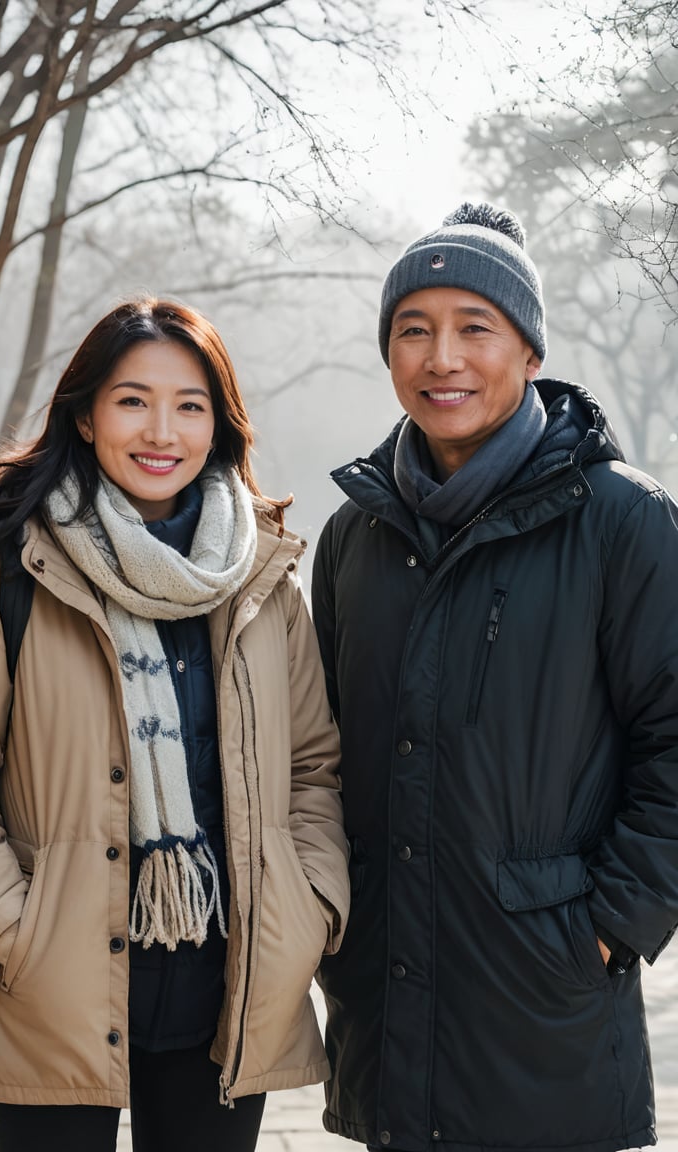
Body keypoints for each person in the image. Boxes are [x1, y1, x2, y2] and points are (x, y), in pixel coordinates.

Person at [0, 298, 349, 1152]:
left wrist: (308, 910)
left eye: (190, 405)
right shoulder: (14, 567)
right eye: (132, 400)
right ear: (84, 415)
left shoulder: (263, 580)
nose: (163, 431)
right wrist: (12, 934)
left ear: (219, 425)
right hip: (51, 983)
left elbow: (313, 772)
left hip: (233, 985)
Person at [311, 202, 678, 1152]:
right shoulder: (356, 535)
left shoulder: (619, 521)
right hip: (388, 1002)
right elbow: (326, 747)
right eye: (413, 331)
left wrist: (609, 925)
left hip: (544, 1004)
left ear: (530, 352)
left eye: (476, 328)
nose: (443, 359)